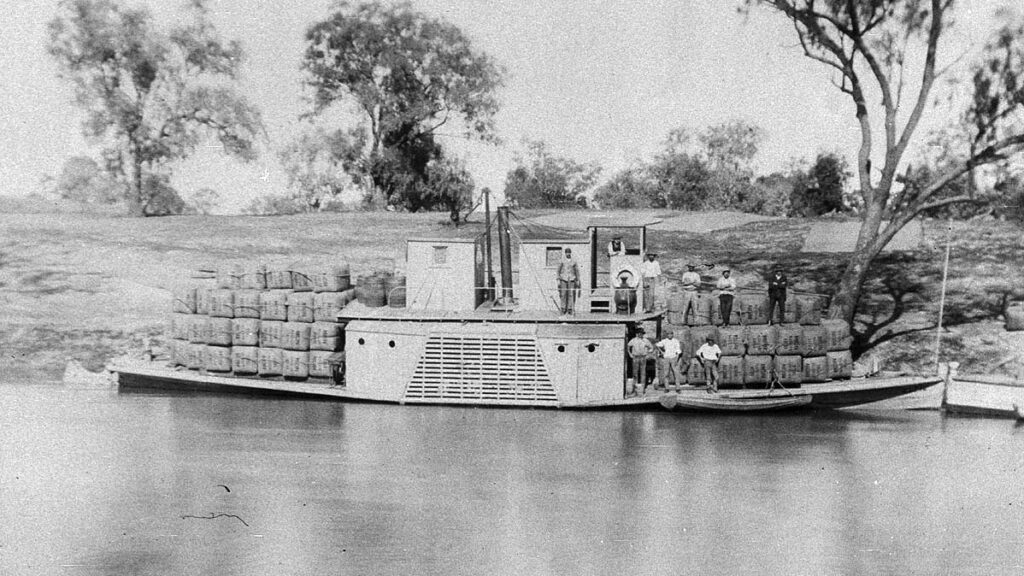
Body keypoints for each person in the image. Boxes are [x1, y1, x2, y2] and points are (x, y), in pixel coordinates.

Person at [628, 328, 654, 395]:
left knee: (643, 373)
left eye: (641, 333)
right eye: (639, 333)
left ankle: (642, 389)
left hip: (643, 357)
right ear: (637, 334)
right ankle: (634, 388)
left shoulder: (645, 340)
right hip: (635, 357)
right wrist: (630, 354)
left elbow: (651, 348)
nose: (640, 334)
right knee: (635, 373)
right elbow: (628, 346)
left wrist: (647, 353)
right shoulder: (633, 340)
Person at [557, 248, 580, 315]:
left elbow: (577, 271)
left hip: (572, 279)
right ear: (565, 253)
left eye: (569, 252)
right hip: (563, 279)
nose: (568, 254)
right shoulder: (562, 260)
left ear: (570, 253)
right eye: (567, 252)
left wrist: (578, 280)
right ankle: (563, 308)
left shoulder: (574, 261)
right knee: (563, 294)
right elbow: (558, 270)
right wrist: (558, 279)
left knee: (571, 294)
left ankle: (570, 308)